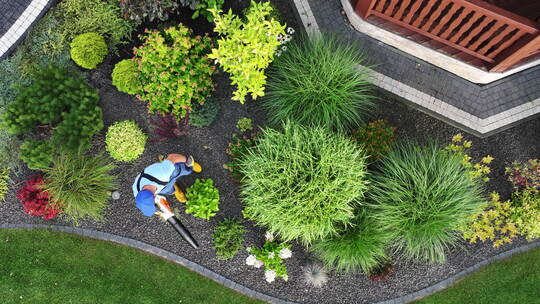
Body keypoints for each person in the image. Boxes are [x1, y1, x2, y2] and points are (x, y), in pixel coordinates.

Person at [133, 154, 201, 216]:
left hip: (169, 172)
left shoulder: (163, 173)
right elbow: (147, 204)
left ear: (154, 196)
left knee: (184, 170)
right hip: (160, 186)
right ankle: (175, 190)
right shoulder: (138, 193)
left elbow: (173, 157)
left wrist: (188, 162)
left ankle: (190, 165)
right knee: (167, 190)